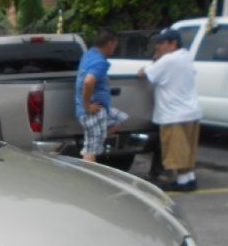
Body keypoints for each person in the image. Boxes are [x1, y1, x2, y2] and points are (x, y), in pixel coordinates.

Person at [138, 28, 202, 192]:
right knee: (187, 149)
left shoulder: (168, 60)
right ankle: (189, 179)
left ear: (173, 44)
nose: (158, 46)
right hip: (191, 111)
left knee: (177, 150)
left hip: (174, 113)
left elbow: (145, 73)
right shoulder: (186, 57)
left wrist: (153, 61)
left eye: (162, 43)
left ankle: (182, 182)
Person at [75, 28, 129, 163]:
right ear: (110, 44)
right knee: (91, 151)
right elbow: (88, 81)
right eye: (115, 45)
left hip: (100, 110)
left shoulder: (89, 54)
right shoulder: (100, 62)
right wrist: (87, 105)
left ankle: (98, 136)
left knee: (121, 118)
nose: (114, 48)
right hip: (93, 111)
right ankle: (87, 174)